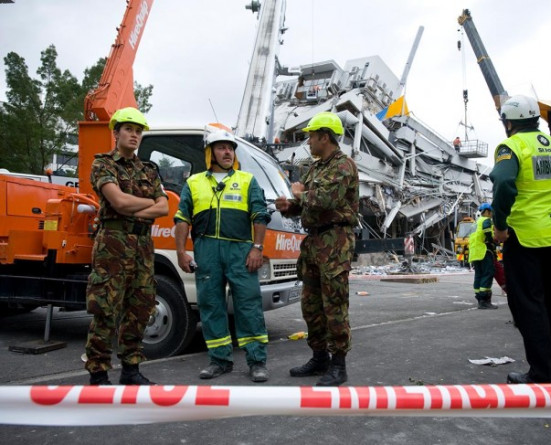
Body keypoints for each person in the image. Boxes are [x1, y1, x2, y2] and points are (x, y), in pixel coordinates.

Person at [174, 127, 271, 383]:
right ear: (210, 153)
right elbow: (182, 218)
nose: (227, 151)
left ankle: (257, 361)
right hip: (206, 251)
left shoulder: (247, 180)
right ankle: (219, 360)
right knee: (210, 306)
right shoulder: (194, 182)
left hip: (241, 250)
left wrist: (257, 248)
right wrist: (181, 251)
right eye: (221, 147)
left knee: (249, 306)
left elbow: (260, 216)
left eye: (230, 147)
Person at [490, 94, 551, 384]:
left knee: (528, 304)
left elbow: (503, 183)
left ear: (509, 122)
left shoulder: (511, 147)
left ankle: (541, 372)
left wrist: (499, 225)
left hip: (524, 236)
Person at [85, 107, 169, 385]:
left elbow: (165, 206)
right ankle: (98, 372)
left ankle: (131, 369)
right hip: (113, 243)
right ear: (116, 132)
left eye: (138, 131)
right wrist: (148, 205)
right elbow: (118, 202)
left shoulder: (148, 170)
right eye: (129, 129)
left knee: (141, 307)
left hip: (143, 245)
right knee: (106, 308)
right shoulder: (103, 164)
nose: (134, 135)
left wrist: (136, 207)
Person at [275, 111, 359, 386]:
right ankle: (319, 356)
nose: (308, 141)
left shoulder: (344, 165)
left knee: (334, 304)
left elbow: (326, 199)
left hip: (335, 242)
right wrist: (290, 207)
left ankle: (339, 364)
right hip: (314, 242)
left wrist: (300, 194)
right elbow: (307, 204)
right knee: (311, 305)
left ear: (325, 136)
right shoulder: (315, 168)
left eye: (311, 135)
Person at [468, 202, 498, 309]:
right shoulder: (486, 220)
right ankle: (484, 300)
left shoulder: (475, 223)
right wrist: (494, 242)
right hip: (484, 251)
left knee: (479, 275)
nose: (491, 215)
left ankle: (479, 298)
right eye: (491, 213)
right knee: (488, 273)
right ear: (487, 211)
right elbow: (487, 233)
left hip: (475, 253)